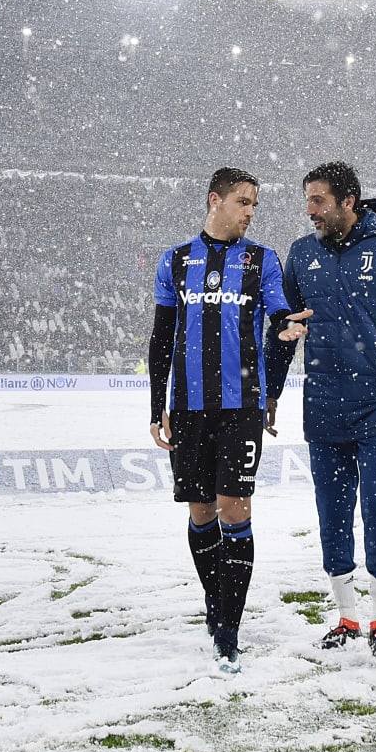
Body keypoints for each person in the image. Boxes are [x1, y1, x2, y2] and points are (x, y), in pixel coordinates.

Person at [265, 162, 376, 656]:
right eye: (308, 200)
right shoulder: (301, 253)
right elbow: (283, 328)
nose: (310, 210)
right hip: (323, 404)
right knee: (332, 512)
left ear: (349, 201)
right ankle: (345, 617)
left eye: (318, 200)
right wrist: (271, 393)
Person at [149, 167, 311, 673]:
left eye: (254, 204)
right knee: (200, 513)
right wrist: (158, 406)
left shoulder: (261, 260)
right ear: (214, 200)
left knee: (234, 510)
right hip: (190, 409)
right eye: (243, 201)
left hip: (242, 407)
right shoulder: (175, 260)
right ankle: (215, 603)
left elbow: (279, 311)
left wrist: (285, 327)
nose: (249, 212)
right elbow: (161, 338)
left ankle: (229, 629)